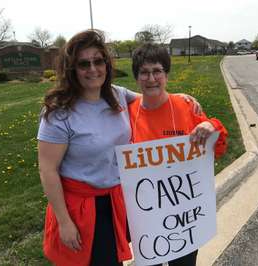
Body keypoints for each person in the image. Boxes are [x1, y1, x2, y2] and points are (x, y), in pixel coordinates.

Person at [37, 30, 201, 266]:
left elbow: (154, 97)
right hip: (82, 208)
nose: (93, 69)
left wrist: (181, 99)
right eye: (84, 64)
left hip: (118, 199)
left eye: (98, 61)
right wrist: (64, 221)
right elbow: (47, 170)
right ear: (72, 69)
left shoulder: (117, 95)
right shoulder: (59, 112)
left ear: (106, 63)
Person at [129, 43, 228, 266]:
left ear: (166, 74)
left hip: (183, 219)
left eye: (157, 71)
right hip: (146, 218)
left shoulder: (186, 107)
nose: (151, 78)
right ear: (136, 77)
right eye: (144, 72)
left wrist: (211, 125)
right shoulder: (127, 112)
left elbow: (218, 149)